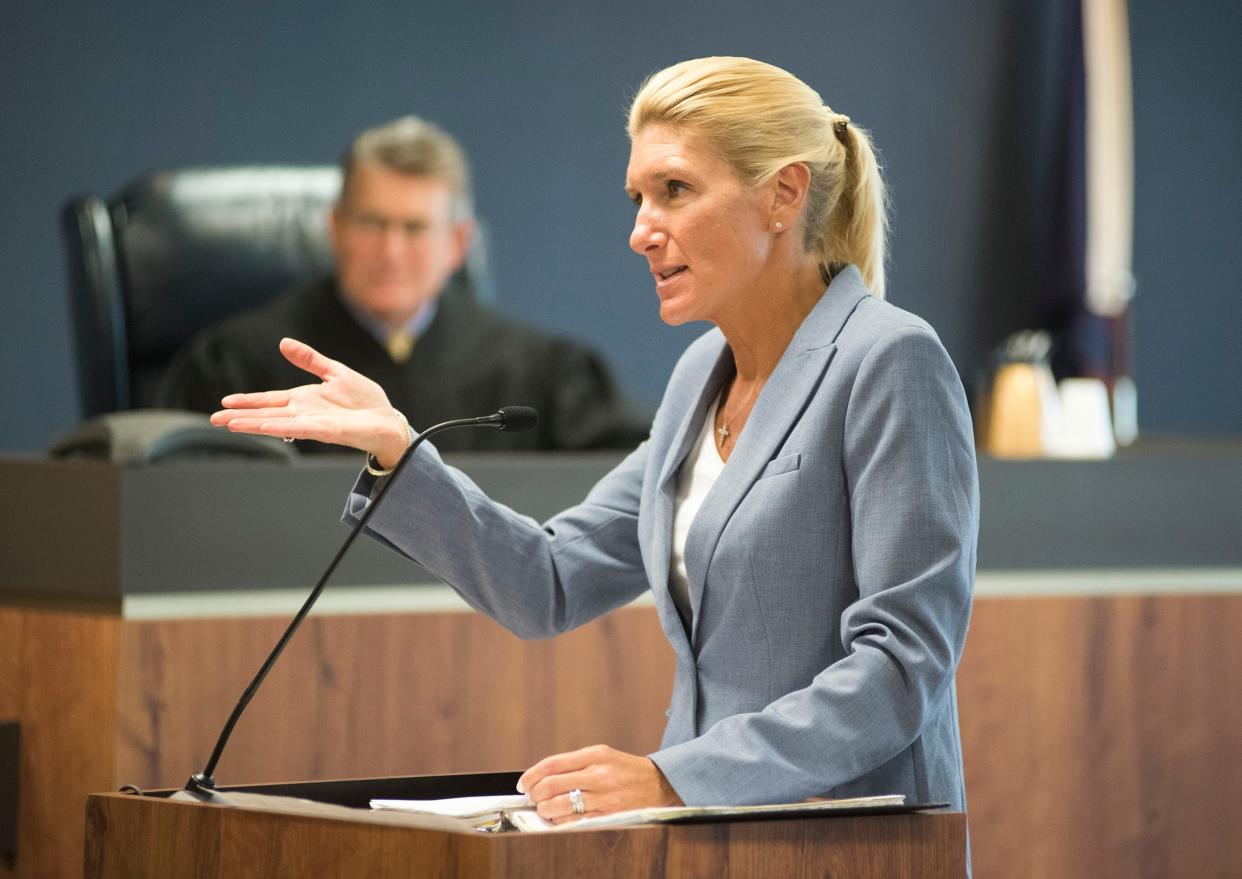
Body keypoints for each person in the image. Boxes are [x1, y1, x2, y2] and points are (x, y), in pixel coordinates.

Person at [212, 57, 978, 829]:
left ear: (782, 195)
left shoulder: (888, 359)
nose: (641, 231)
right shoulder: (697, 380)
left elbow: (900, 669)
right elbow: (547, 580)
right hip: (710, 837)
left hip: (851, 841)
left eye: (674, 190)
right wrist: (399, 451)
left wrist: (675, 778)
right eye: (638, 197)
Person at [158, 115, 650, 452]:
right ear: (335, 228)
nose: (391, 251)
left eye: (415, 228)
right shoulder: (241, 363)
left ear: (458, 243)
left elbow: (630, 486)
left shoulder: (538, 373)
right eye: (372, 224)